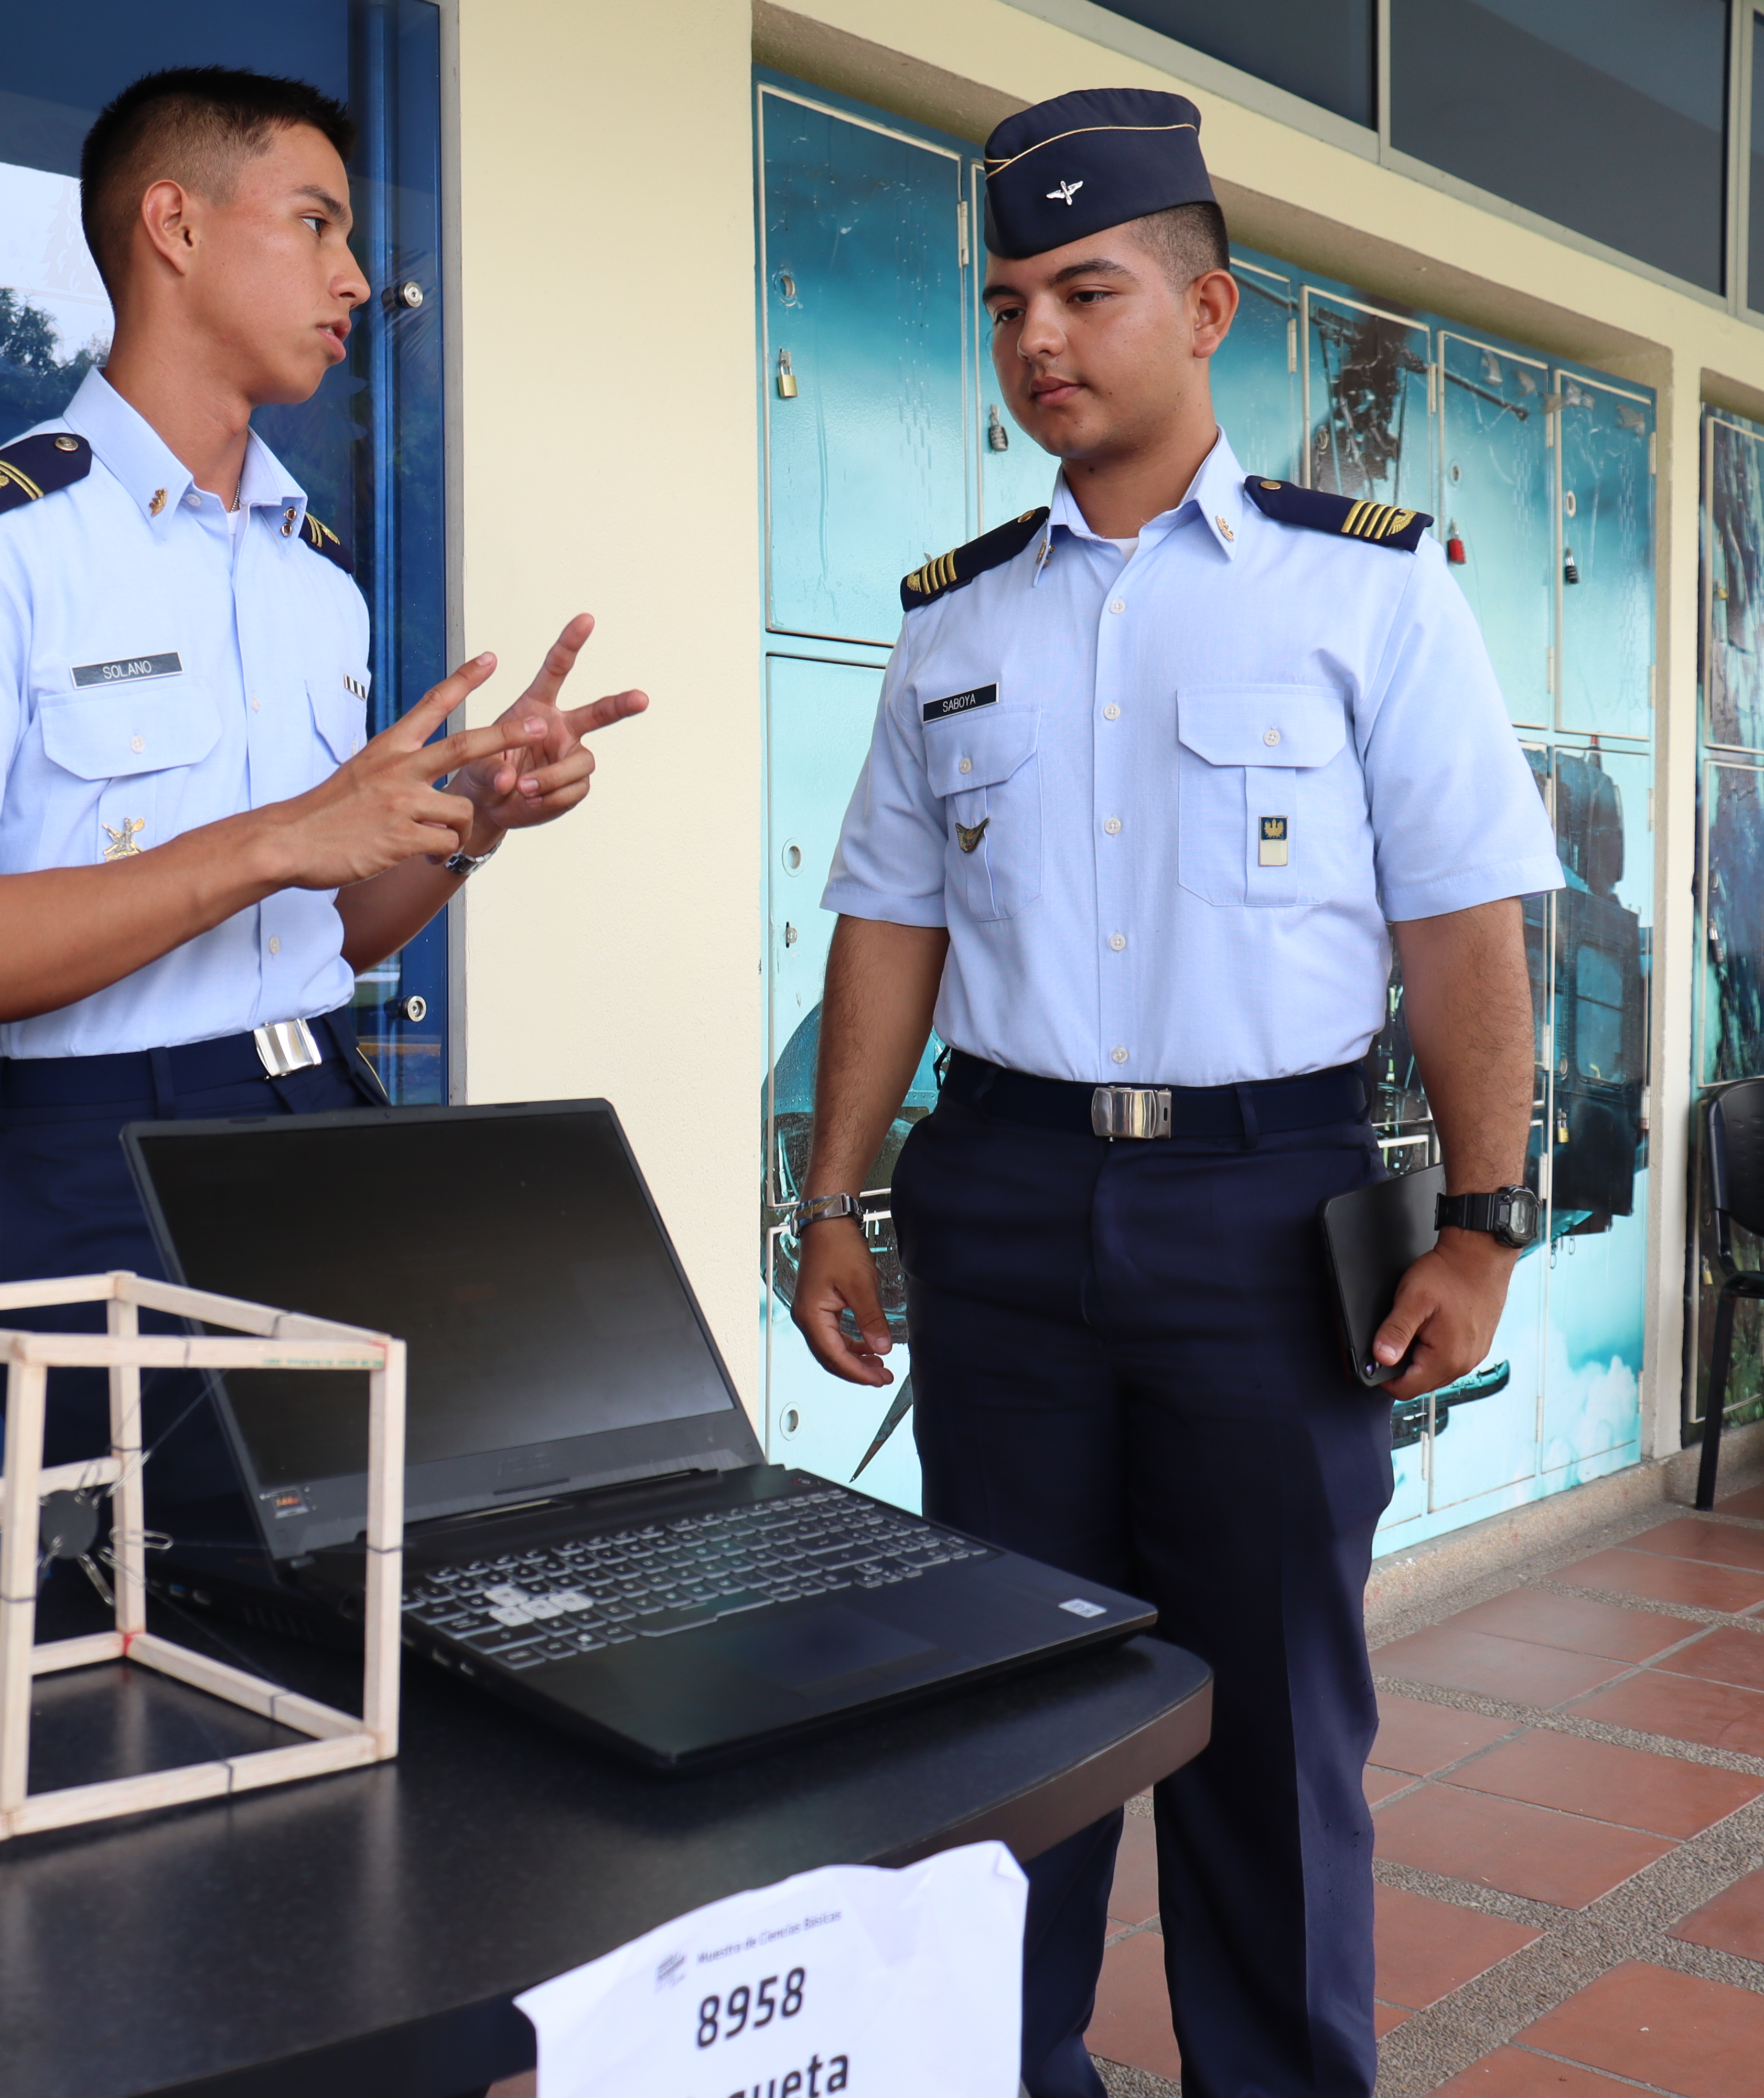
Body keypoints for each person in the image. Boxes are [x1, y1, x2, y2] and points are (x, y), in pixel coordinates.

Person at [793, 89, 1559, 2098]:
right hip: (1006, 1206)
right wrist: (833, 1200)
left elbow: (1466, 931)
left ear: (1207, 308)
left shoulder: (1368, 590)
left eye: (1087, 290)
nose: (1039, 337)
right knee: (1009, 1715)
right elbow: (887, 926)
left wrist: (1486, 1225)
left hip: (1265, 1209)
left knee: (1273, 1721)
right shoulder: (954, 619)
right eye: (1006, 304)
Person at [0, 65, 645, 1468]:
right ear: (177, 225)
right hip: (106, 1164)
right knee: (134, 1586)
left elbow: (323, 930)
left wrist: (471, 821)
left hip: (322, 1118)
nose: (356, 278)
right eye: (317, 224)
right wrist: (273, 839)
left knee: (359, 1564)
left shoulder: (313, 576)